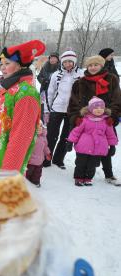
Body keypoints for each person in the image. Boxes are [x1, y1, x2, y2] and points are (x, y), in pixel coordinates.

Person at [0, 40, 45, 174]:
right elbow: (6, 118)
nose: (2, 67)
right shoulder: (11, 88)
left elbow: (21, 137)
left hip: (6, 165)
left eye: (7, 63)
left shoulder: (26, 93)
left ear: (20, 66)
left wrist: (8, 173)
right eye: (1, 64)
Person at [68, 55, 121, 186]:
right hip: (86, 121)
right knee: (84, 148)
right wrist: (76, 118)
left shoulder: (112, 79)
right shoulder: (79, 83)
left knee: (106, 147)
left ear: (101, 65)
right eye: (90, 65)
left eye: (96, 65)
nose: (93, 67)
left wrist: (112, 116)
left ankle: (109, 174)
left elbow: (117, 99)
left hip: (105, 120)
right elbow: (73, 103)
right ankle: (81, 173)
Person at [44, 50, 84, 169]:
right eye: (65, 62)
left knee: (66, 136)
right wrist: (47, 110)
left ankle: (58, 159)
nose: (67, 64)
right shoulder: (56, 75)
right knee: (51, 135)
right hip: (57, 108)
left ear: (74, 62)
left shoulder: (81, 75)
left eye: (70, 61)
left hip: (73, 110)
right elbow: (50, 92)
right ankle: (46, 158)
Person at [67, 97, 118, 186]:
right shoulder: (84, 120)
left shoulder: (106, 121)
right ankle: (78, 178)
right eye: (96, 107)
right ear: (90, 108)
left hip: (97, 149)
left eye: (101, 108)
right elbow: (76, 132)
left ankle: (88, 178)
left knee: (92, 165)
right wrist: (70, 142)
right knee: (81, 163)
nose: (99, 110)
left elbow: (111, 135)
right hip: (83, 147)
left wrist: (112, 146)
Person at [26, 121, 51, 187]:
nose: (39, 129)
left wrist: (47, 153)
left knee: (37, 173)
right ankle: (26, 183)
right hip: (30, 161)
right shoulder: (30, 137)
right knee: (28, 173)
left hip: (39, 161)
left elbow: (45, 147)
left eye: (41, 127)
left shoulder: (43, 138)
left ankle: (35, 182)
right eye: (37, 127)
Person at [37, 52, 60, 124]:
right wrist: (43, 81)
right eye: (51, 58)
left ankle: (50, 123)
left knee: (51, 108)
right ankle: (41, 122)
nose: (52, 60)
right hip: (44, 90)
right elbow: (39, 77)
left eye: (54, 58)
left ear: (57, 59)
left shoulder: (60, 69)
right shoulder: (45, 67)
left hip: (54, 93)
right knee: (42, 107)